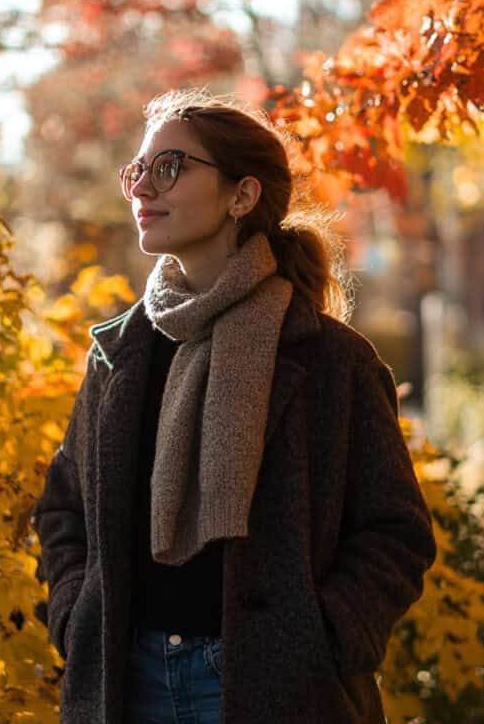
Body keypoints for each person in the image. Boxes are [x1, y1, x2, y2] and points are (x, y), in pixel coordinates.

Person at [32, 89, 437, 724]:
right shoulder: (119, 354)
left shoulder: (332, 360)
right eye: (136, 170)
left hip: (278, 687)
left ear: (241, 196)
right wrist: (75, 617)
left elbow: (395, 532)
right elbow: (64, 508)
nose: (142, 188)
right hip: (125, 680)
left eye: (169, 168)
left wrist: (322, 638)